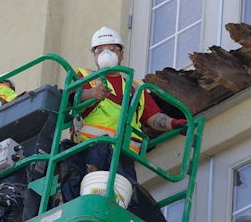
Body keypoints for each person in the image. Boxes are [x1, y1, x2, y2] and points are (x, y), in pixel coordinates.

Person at [69, 26, 187, 183]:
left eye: (111, 49)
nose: (106, 54)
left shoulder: (135, 87)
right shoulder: (84, 76)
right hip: (92, 151)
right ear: (94, 56)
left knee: (124, 195)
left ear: (121, 54)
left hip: (124, 157)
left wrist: (173, 123)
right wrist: (92, 93)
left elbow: (153, 117)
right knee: (97, 189)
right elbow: (72, 101)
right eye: (99, 50)